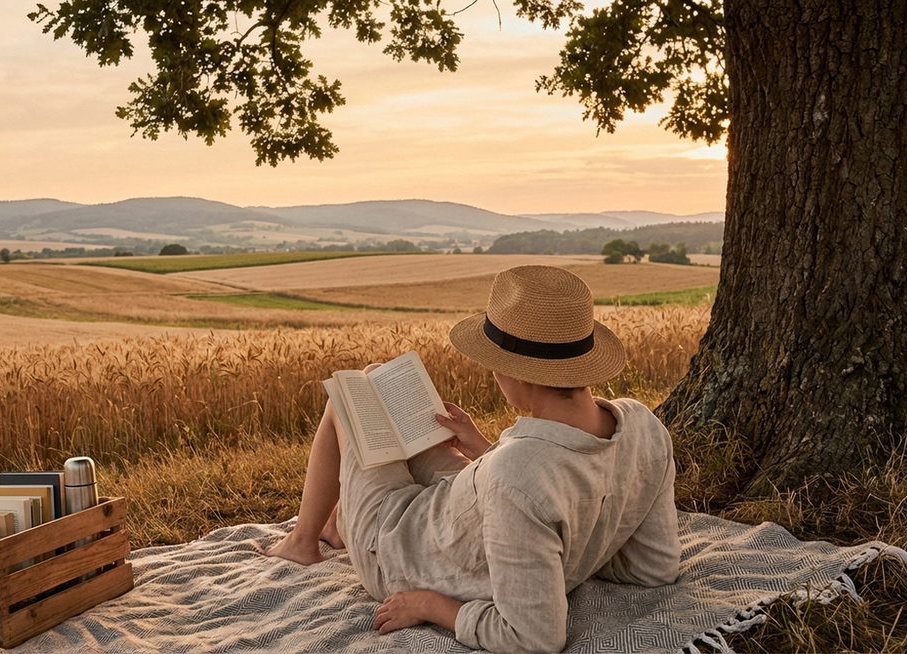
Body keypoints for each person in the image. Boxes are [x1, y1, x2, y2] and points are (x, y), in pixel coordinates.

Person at [265, 265, 680, 653]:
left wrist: (429, 605)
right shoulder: (644, 428)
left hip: (397, 551)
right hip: (468, 504)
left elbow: (535, 637)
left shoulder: (517, 476)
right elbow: (654, 568)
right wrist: (482, 449)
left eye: (494, 364)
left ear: (515, 372)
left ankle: (303, 543)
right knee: (378, 378)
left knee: (350, 398)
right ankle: (342, 522)